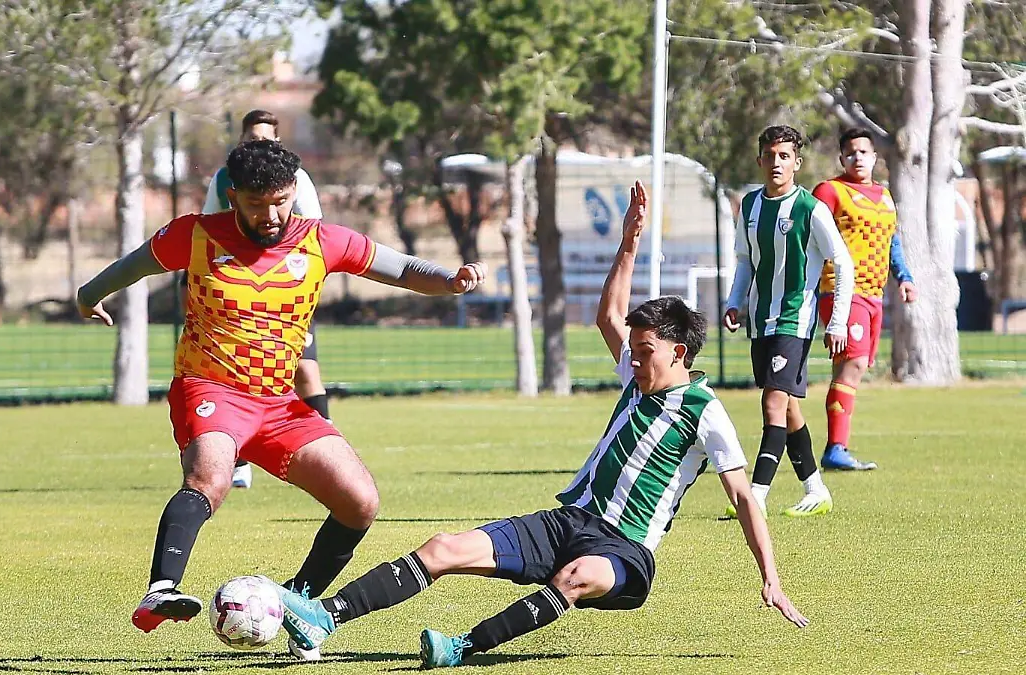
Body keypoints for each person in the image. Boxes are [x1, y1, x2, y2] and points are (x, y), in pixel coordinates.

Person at [274, 181, 809, 669]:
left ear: (679, 351)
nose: (636, 360)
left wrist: (772, 579)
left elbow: (742, 497)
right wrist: (629, 242)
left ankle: (461, 648)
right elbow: (609, 313)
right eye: (636, 350)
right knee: (442, 549)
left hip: (625, 550)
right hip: (566, 521)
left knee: (575, 579)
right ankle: (325, 615)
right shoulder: (637, 374)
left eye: (647, 352)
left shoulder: (704, 409)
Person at [76, 140, 487, 660]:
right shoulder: (197, 234)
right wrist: (88, 297)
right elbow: (132, 267)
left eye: (281, 200)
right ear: (233, 196)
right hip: (210, 386)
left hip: (279, 402)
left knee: (360, 501)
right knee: (210, 478)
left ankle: (300, 603)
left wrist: (451, 280)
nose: (271, 214)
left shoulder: (323, 241)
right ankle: (161, 591)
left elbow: (401, 268)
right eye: (256, 203)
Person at [723, 125, 855, 519]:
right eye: (770, 155)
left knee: (773, 402)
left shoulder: (810, 209)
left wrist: (838, 322)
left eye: (785, 156)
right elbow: (745, 261)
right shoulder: (749, 206)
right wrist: (735, 303)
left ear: (797, 163)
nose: (776, 163)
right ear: (760, 159)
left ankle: (756, 496)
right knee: (789, 409)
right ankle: (815, 489)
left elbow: (842, 262)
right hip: (760, 322)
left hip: (795, 321)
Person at [203, 109, 331, 490]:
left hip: (286, 289)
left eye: (266, 138)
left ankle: (326, 446)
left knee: (306, 370)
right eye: (251, 138)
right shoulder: (225, 178)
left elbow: (315, 231)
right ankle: (238, 461)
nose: (258, 144)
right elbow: (208, 229)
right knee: (236, 375)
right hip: (237, 293)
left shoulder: (297, 178)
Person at [813, 127, 917, 471]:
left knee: (851, 367)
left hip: (873, 294)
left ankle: (831, 445)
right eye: (850, 152)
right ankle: (835, 448)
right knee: (852, 365)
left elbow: (892, 243)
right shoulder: (830, 191)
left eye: (864, 152)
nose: (857, 157)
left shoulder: (885, 197)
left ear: (875, 157)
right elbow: (809, 236)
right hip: (842, 291)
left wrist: (903, 277)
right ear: (842, 157)